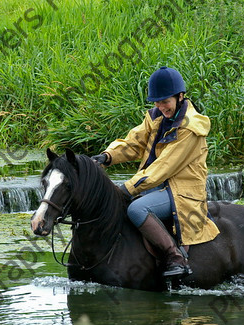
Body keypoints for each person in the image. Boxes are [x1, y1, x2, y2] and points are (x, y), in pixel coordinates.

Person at [91, 66, 220, 279]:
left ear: (180, 97)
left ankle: (175, 258)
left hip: (182, 192)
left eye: (165, 102)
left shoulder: (190, 129)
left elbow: (163, 168)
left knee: (136, 210)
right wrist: (107, 156)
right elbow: (133, 143)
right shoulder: (156, 117)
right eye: (157, 102)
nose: (161, 107)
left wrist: (127, 189)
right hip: (158, 186)